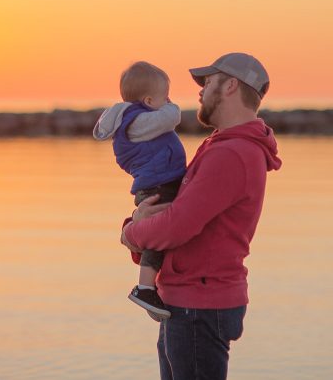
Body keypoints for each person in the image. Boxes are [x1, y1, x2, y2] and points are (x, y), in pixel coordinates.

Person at [120, 53, 282, 380]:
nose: (200, 91)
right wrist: (137, 222)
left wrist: (130, 234)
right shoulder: (220, 146)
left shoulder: (231, 153)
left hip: (199, 305)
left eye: (208, 83)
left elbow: (177, 226)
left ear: (231, 86)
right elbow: (172, 212)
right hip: (186, 301)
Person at [94, 61, 187, 321]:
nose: (169, 102)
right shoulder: (140, 122)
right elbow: (173, 117)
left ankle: (155, 287)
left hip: (157, 181)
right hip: (159, 185)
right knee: (158, 236)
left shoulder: (133, 120)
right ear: (147, 100)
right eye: (164, 97)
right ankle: (146, 288)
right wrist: (170, 106)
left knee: (160, 234)